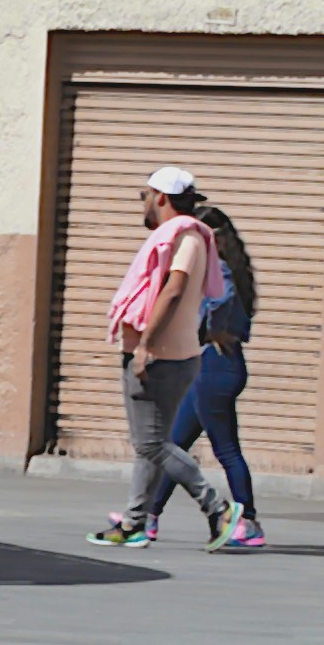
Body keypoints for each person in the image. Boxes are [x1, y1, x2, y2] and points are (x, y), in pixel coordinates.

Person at [92, 165, 237, 549]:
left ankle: (218, 507)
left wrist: (144, 345)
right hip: (165, 355)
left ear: (161, 197)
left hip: (161, 356)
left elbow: (172, 292)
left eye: (144, 195)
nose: (142, 203)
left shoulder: (185, 237)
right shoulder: (179, 237)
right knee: (148, 441)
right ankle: (135, 523)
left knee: (152, 444)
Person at [172, 185, 268, 552]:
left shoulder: (221, 270)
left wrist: (202, 329)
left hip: (215, 367)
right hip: (214, 366)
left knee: (226, 449)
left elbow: (219, 300)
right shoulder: (234, 268)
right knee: (173, 447)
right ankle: (144, 517)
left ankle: (249, 522)